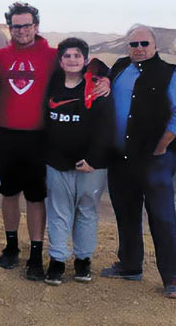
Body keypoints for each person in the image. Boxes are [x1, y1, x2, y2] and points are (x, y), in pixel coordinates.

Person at [101, 24, 176, 299]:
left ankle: (171, 277)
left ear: (155, 46)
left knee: (162, 216)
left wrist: (161, 146)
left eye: (144, 44)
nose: (139, 49)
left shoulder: (170, 73)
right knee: (126, 211)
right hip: (121, 157)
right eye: (134, 44)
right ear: (127, 46)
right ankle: (130, 265)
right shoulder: (119, 68)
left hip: (156, 159)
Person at [0, 2, 58, 280]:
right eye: (15, 26)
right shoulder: (0, 56)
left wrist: (104, 82)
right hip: (5, 135)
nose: (21, 30)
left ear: (36, 26)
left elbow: (82, 73)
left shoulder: (53, 56)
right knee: (8, 194)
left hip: (38, 137)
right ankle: (11, 246)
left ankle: (35, 254)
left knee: (35, 197)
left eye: (26, 25)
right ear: (10, 28)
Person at [43, 38, 114, 286]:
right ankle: (57, 260)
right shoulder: (52, 83)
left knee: (86, 210)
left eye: (77, 56)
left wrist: (93, 159)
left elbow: (106, 126)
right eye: (67, 56)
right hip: (57, 161)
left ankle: (83, 259)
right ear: (60, 60)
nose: (72, 60)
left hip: (91, 164)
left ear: (85, 60)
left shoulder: (96, 87)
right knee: (58, 211)